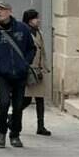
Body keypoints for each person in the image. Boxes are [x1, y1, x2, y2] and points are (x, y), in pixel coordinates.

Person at [0, 1, 35, 148]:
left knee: (18, 106)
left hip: (20, 73)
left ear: (10, 12)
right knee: (4, 102)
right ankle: (1, 133)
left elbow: (31, 48)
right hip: (3, 74)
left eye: (3, 10)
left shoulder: (22, 29)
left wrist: (25, 63)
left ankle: (15, 135)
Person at [20, 9, 52, 137]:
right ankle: (13, 117)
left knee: (40, 99)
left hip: (39, 70)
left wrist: (46, 66)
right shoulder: (24, 33)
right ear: (29, 20)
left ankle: (40, 126)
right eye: (35, 18)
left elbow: (43, 52)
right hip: (29, 69)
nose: (38, 20)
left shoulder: (39, 32)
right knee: (26, 99)